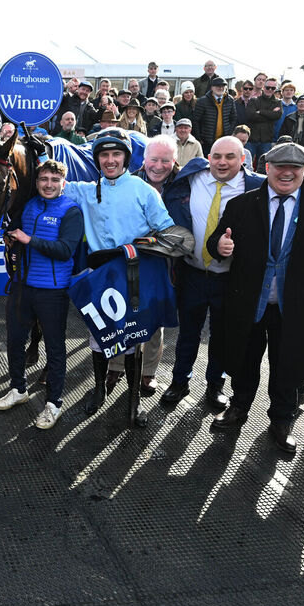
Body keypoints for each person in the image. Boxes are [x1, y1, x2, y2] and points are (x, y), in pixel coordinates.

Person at [206, 142, 304, 452]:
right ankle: (238, 408)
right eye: (280, 167)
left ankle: (282, 420)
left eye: (295, 168)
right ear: (266, 168)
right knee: (244, 361)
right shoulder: (242, 204)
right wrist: (220, 245)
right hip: (249, 302)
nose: (287, 173)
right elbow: (216, 238)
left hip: (296, 305)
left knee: (288, 366)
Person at [62, 127, 177, 419]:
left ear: (125, 158)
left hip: (133, 276)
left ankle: (133, 399)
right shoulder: (86, 190)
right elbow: (52, 182)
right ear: (97, 159)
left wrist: (137, 247)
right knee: (98, 338)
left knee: (134, 341)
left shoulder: (143, 190)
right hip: (101, 277)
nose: (110, 160)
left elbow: (168, 232)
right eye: (104, 155)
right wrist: (37, 150)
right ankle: (99, 388)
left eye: (116, 154)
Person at [161, 136, 266, 411]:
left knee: (221, 336)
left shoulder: (256, 186)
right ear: (208, 157)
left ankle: (214, 386)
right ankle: (179, 381)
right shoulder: (191, 178)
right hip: (193, 273)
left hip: (230, 278)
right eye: (217, 156)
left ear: (243, 159)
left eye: (230, 157)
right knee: (188, 334)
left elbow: (290, 184)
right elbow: (157, 174)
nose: (222, 162)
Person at [0, 160, 82, 428]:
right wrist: (10, 237)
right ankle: (18, 388)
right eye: (44, 179)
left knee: (55, 348)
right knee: (14, 340)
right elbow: (11, 230)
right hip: (21, 286)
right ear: (37, 181)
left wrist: (28, 240)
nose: (48, 185)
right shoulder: (29, 205)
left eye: (55, 180)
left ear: (63, 184)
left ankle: (54, 403)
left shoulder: (71, 211)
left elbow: (66, 249)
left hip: (53, 291)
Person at [192, 77, 236, 153]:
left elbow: (233, 118)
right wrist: (199, 138)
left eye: (223, 86)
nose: (220, 88)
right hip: (206, 142)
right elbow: (195, 120)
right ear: (212, 87)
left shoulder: (230, 100)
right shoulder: (202, 101)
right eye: (217, 86)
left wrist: (229, 133)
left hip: (223, 141)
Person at [246, 78, 283, 164]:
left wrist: (260, 112)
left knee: (263, 167)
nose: (270, 90)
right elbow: (250, 116)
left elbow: (277, 115)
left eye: (273, 88)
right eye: (268, 87)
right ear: (263, 87)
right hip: (251, 139)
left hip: (266, 140)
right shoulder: (254, 100)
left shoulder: (277, 102)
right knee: (246, 164)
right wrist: (270, 114)